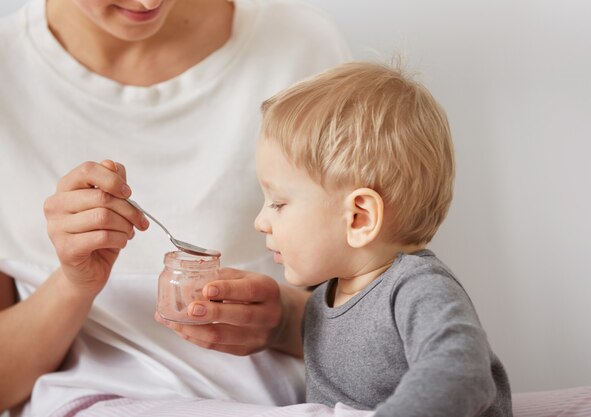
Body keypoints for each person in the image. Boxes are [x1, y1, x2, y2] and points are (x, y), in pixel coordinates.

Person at [0, 0, 353, 415]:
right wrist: (74, 283)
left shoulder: (299, 48)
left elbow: (386, 327)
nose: (148, 3)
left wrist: (286, 322)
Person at [253, 61, 513, 416]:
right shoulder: (321, 302)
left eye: (278, 203)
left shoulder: (417, 289)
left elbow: (463, 375)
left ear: (360, 217)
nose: (260, 221)